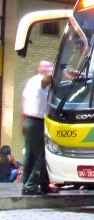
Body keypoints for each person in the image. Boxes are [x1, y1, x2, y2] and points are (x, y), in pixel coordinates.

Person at [22, 60, 57, 195]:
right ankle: (31, 185)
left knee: (29, 155)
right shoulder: (40, 82)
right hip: (38, 122)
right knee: (43, 155)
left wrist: (23, 121)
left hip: (29, 120)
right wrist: (57, 71)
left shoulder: (30, 81)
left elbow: (24, 100)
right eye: (47, 66)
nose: (49, 69)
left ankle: (33, 184)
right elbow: (47, 80)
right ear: (40, 68)